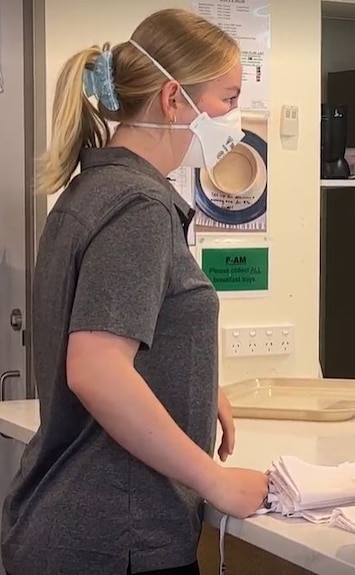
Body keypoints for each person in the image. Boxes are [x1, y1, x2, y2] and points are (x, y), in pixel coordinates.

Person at [1, 9, 268, 575]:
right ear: (175, 99)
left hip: (76, 531)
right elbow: (96, 370)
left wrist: (194, 377)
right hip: (111, 538)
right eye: (227, 97)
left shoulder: (92, 191)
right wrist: (213, 480)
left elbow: (118, 332)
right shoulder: (138, 208)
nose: (235, 119)